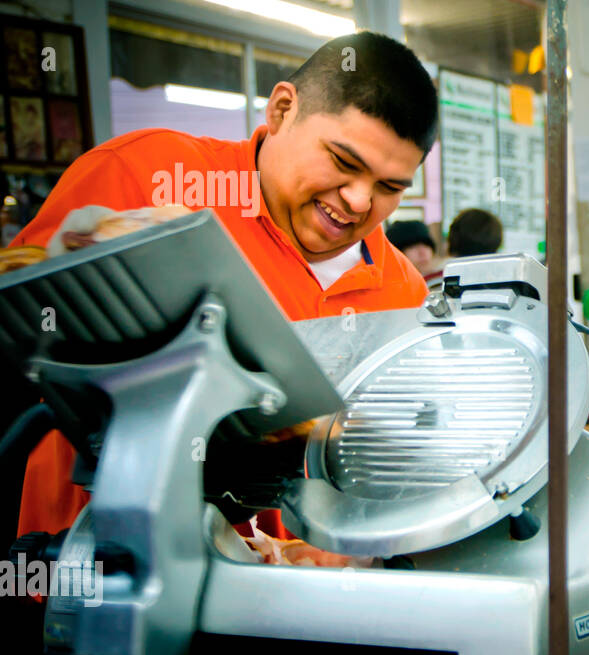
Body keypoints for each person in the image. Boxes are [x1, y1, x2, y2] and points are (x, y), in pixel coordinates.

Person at [10, 31, 438, 539]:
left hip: (286, 598)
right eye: (345, 163)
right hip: (88, 564)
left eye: (390, 187)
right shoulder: (149, 176)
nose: (359, 201)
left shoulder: (402, 296)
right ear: (281, 111)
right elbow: (18, 334)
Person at [386, 218, 445, 285]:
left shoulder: (445, 281)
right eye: (412, 247)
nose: (422, 252)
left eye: (426, 245)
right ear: (398, 253)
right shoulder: (392, 287)